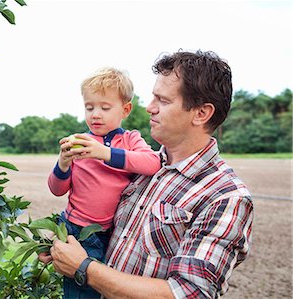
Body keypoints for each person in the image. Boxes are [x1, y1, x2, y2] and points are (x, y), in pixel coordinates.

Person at [41, 50, 254, 299]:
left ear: (201, 113)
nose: (149, 108)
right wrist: (64, 243)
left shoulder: (226, 196)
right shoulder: (141, 169)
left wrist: (85, 268)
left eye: (162, 101)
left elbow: (190, 293)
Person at [48, 67, 161, 298]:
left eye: (105, 107)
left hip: (106, 234)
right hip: (74, 227)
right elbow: (57, 190)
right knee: (80, 293)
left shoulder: (129, 139)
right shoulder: (79, 141)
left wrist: (104, 153)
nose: (95, 114)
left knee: (102, 287)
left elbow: (152, 163)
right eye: (89, 107)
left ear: (126, 109)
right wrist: (63, 163)